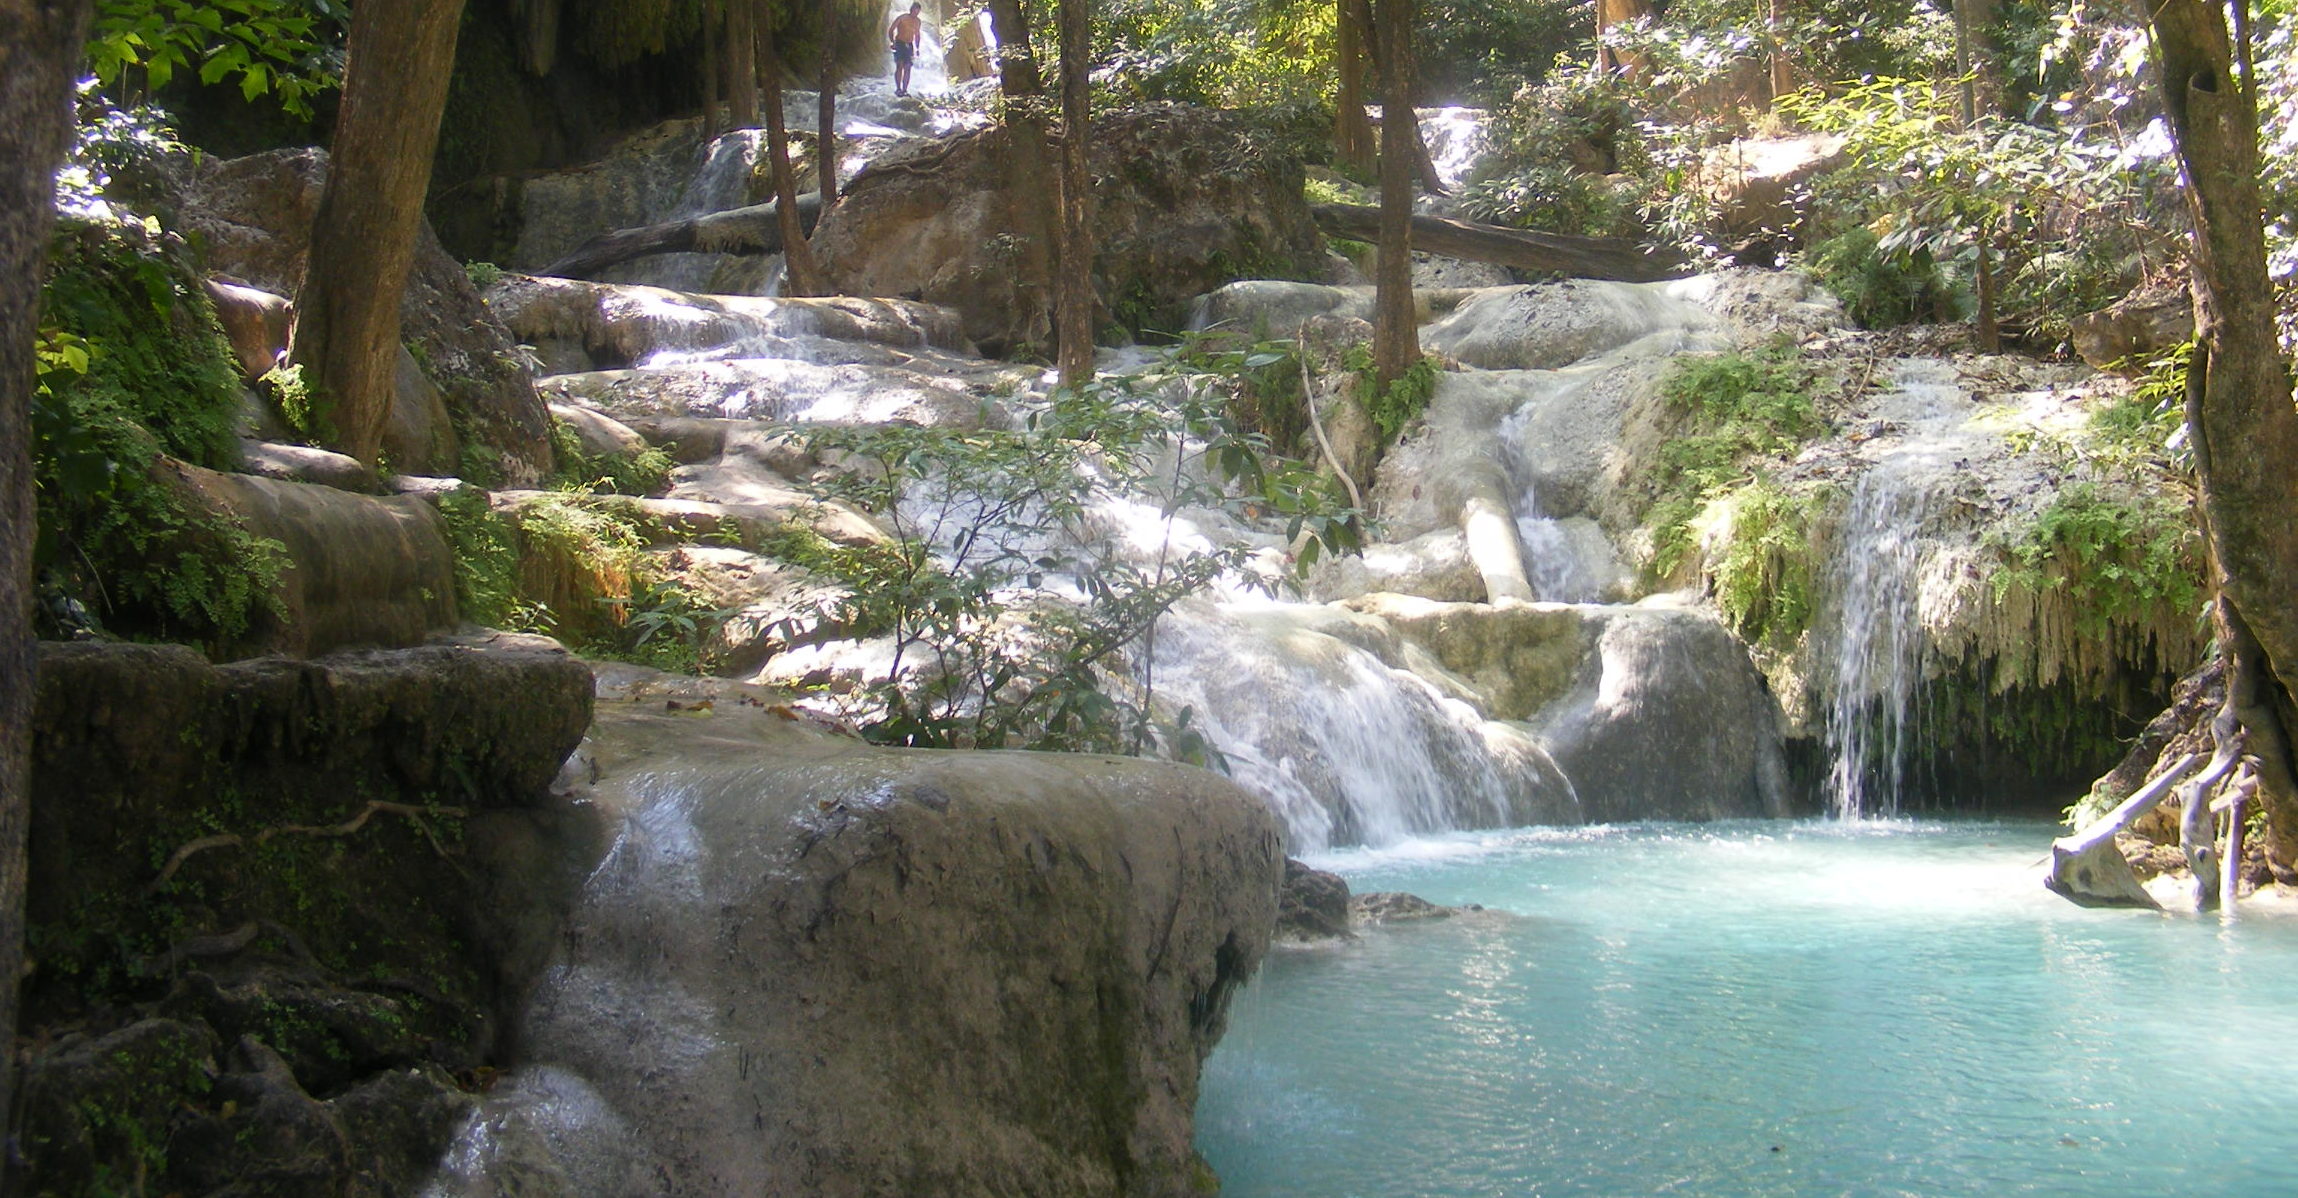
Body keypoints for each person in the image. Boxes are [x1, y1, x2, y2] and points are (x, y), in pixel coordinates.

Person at [889, 3, 925, 97]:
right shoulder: (902, 18)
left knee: (908, 67)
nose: (916, 13)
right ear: (911, 10)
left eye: (918, 12)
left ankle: (905, 89)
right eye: (914, 11)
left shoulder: (918, 21)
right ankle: (898, 88)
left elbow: (917, 35)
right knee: (899, 65)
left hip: (909, 45)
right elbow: (891, 29)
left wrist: (917, 48)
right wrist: (892, 42)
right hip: (899, 43)